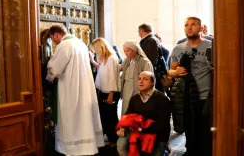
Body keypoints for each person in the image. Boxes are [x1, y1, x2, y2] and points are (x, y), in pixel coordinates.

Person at [46, 24, 104, 156]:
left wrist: (48, 76)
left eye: (52, 39)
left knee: (71, 117)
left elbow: (54, 68)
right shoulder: (80, 43)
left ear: (56, 35)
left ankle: (73, 149)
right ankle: (85, 147)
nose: (54, 42)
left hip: (70, 87)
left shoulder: (64, 45)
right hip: (84, 86)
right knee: (83, 117)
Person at [168, 16, 212, 156]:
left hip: (205, 96)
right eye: (187, 25)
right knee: (189, 129)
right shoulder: (178, 48)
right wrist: (176, 72)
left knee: (204, 130)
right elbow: (170, 72)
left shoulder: (210, 46)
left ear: (200, 28)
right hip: (186, 96)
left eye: (193, 24)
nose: (189, 27)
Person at [117, 71, 171, 156]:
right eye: (139, 79)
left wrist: (141, 130)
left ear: (153, 82)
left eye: (145, 79)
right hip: (137, 131)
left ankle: (165, 151)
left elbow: (163, 124)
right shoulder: (134, 98)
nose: (141, 81)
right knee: (121, 144)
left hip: (157, 134)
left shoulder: (162, 99)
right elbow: (127, 116)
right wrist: (123, 127)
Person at [89, 38, 121, 146]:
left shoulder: (111, 58)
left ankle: (115, 140)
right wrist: (93, 61)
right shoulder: (106, 59)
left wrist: (111, 95)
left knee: (110, 117)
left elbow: (112, 77)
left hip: (110, 92)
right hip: (104, 90)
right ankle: (111, 138)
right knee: (105, 115)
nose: (96, 52)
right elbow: (103, 70)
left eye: (96, 50)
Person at [120, 41, 153, 116]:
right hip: (126, 89)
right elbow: (118, 68)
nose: (126, 53)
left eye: (128, 51)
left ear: (135, 50)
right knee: (126, 110)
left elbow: (149, 78)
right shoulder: (127, 60)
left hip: (138, 90)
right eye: (124, 51)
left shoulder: (145, 62)